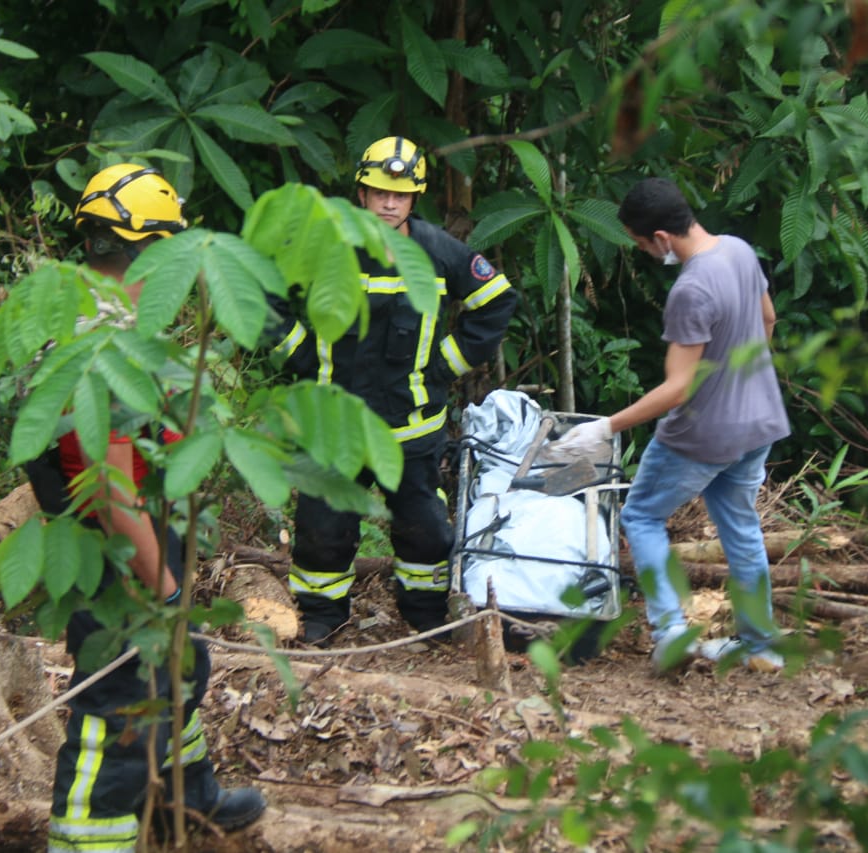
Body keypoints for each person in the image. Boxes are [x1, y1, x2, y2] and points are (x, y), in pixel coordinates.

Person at [35, 164, 266, 851]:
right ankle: (85, 836)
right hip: (104, 538)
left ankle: (182, 799)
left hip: (116, 523)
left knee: (182, 661)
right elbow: (108, 487)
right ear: (146, 249)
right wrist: (162, 583)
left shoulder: (93, 309)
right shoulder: (101, 336)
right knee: (116, 696)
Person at [269, 136, 518, 644]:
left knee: (423, 528)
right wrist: (299, 356)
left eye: (400, 195)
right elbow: (260, 295)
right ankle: (321, 615)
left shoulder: (437, 251)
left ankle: (425, 617)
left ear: (414, 199)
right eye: (380, 191)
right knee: (322, 525)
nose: (388, 203)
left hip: (412, 424)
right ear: (361, 193)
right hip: (333, 423)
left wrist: (444, 367)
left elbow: (496, 300)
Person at [550, 177, 789, 673]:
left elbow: (678, 387)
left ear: (661, 238)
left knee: (640, 517)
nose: (643, 253)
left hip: (701, 436)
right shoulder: (740, 251)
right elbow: (768, 319)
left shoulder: (692, 288)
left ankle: (671, 633)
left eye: (640, 244)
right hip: (759, 423)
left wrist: (604, 427)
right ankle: (761, 644)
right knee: (742, 529)